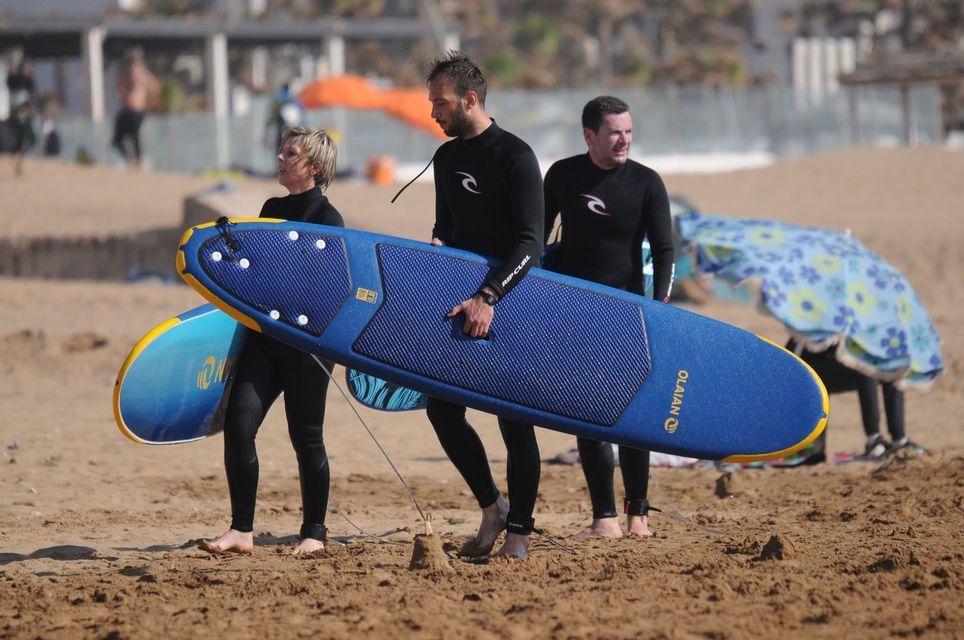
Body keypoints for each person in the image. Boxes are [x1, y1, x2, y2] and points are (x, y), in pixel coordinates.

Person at [198, 127, 343, 556]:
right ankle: (242, 530)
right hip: (265, 340)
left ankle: (314, 532)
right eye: (281, 151)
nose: (280, 158)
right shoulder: (271, 208)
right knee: (240, 427)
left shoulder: (328, 220)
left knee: (307, 438)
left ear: (313, 167)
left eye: (291, 153)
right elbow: (257, 271)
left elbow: (331, 287)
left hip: (305, 346)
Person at [426, 51, 544, 559]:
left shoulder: (515, 156)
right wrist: (434, 252)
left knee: (513, 419)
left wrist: (490, 295)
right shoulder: (447, 159)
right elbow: (445, 230)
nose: (433, 112)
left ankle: (518, 530)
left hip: (511, 299)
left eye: (440, 102)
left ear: (469, 100)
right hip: (462, 303)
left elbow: (530, 243)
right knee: (443, 410)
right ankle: (492, 507)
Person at [543, 96, 675, 539]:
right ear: (589, 135)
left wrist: (659, 306)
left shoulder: (646, 182)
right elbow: (537, 239)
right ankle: (605, 519)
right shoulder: (563, 175)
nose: (624, 140)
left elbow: (665, 250)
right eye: (615, 132)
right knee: (589, 415)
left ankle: (638, 516)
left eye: (629, 131)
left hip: (629, 312)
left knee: (633, 416)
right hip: (577, 313)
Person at [786, 338, 925, 460]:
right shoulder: (820, 314)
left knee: (893, 367)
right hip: (812, 371)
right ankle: (874, 440)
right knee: (866, 368)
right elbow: (792, 354)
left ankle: (899, 440)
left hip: (843, 364)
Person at [112, 52, 159, 169]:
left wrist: (148, 103)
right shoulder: (124, 74)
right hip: (125, 111)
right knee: (117, 139)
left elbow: (154, 87)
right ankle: (129, 160)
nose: (132, 66)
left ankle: (137, 162)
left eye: (134, 63)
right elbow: (118, 89)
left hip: (137, 111)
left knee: (134, 136)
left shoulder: (142, 75)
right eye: (130, 63)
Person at [6, 60, 36, 176]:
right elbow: (27, 106)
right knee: (29, 138)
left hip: (15, 113)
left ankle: (17, 157)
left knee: (21, 139)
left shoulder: (12, 80)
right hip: (21, 112)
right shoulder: (26, 82)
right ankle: (17, 157)